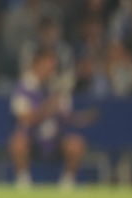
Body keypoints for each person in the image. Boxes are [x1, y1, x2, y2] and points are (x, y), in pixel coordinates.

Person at [9, 49, 95, 190]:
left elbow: (67, 114)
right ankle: (23, 185)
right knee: (17, 142)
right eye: (48, 64)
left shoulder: (58, 86)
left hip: (55, 139)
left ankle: (66, 186)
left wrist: (83, 117)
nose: (51, 69)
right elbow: (24, 117)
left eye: (53, 65)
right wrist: (47, 109)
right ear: (37, 63)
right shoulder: (24, 86)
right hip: (32, 140)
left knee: (76, 144)